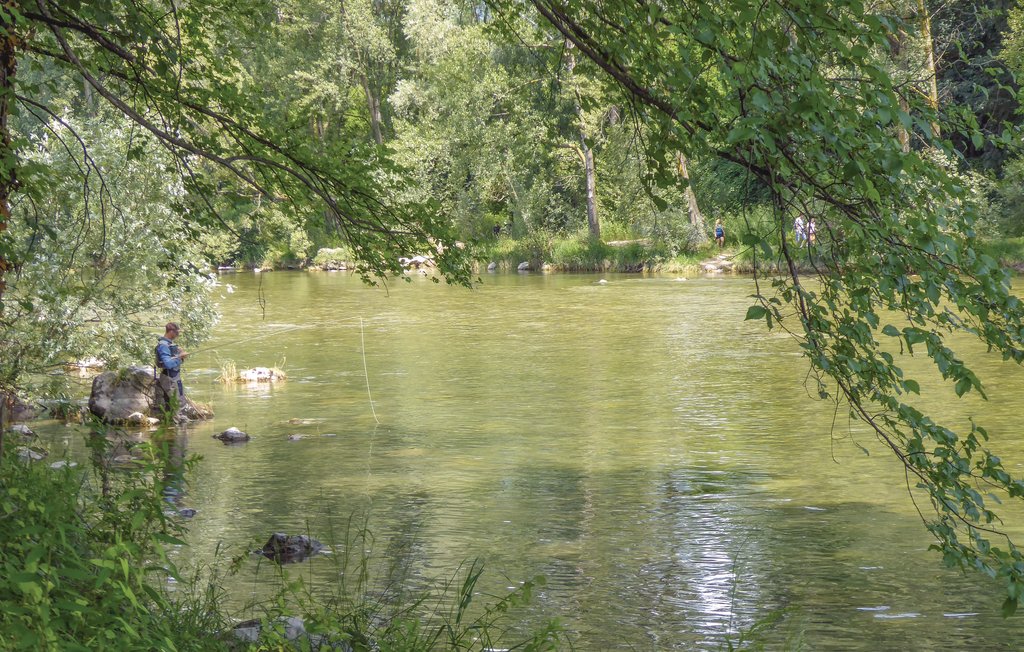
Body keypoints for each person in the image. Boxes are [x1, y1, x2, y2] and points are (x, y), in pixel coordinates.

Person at [155, 322, 189, 419]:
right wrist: (180, 357)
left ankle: (173, 430)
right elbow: (168, 364)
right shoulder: (163, 346)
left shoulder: (169, 344)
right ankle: (179, 427)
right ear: (171, 331)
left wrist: (180, 354)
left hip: (174, 377)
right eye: (177, 332)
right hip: (169, 378)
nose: (178, 334)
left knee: (178, 403)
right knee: (177, 405)